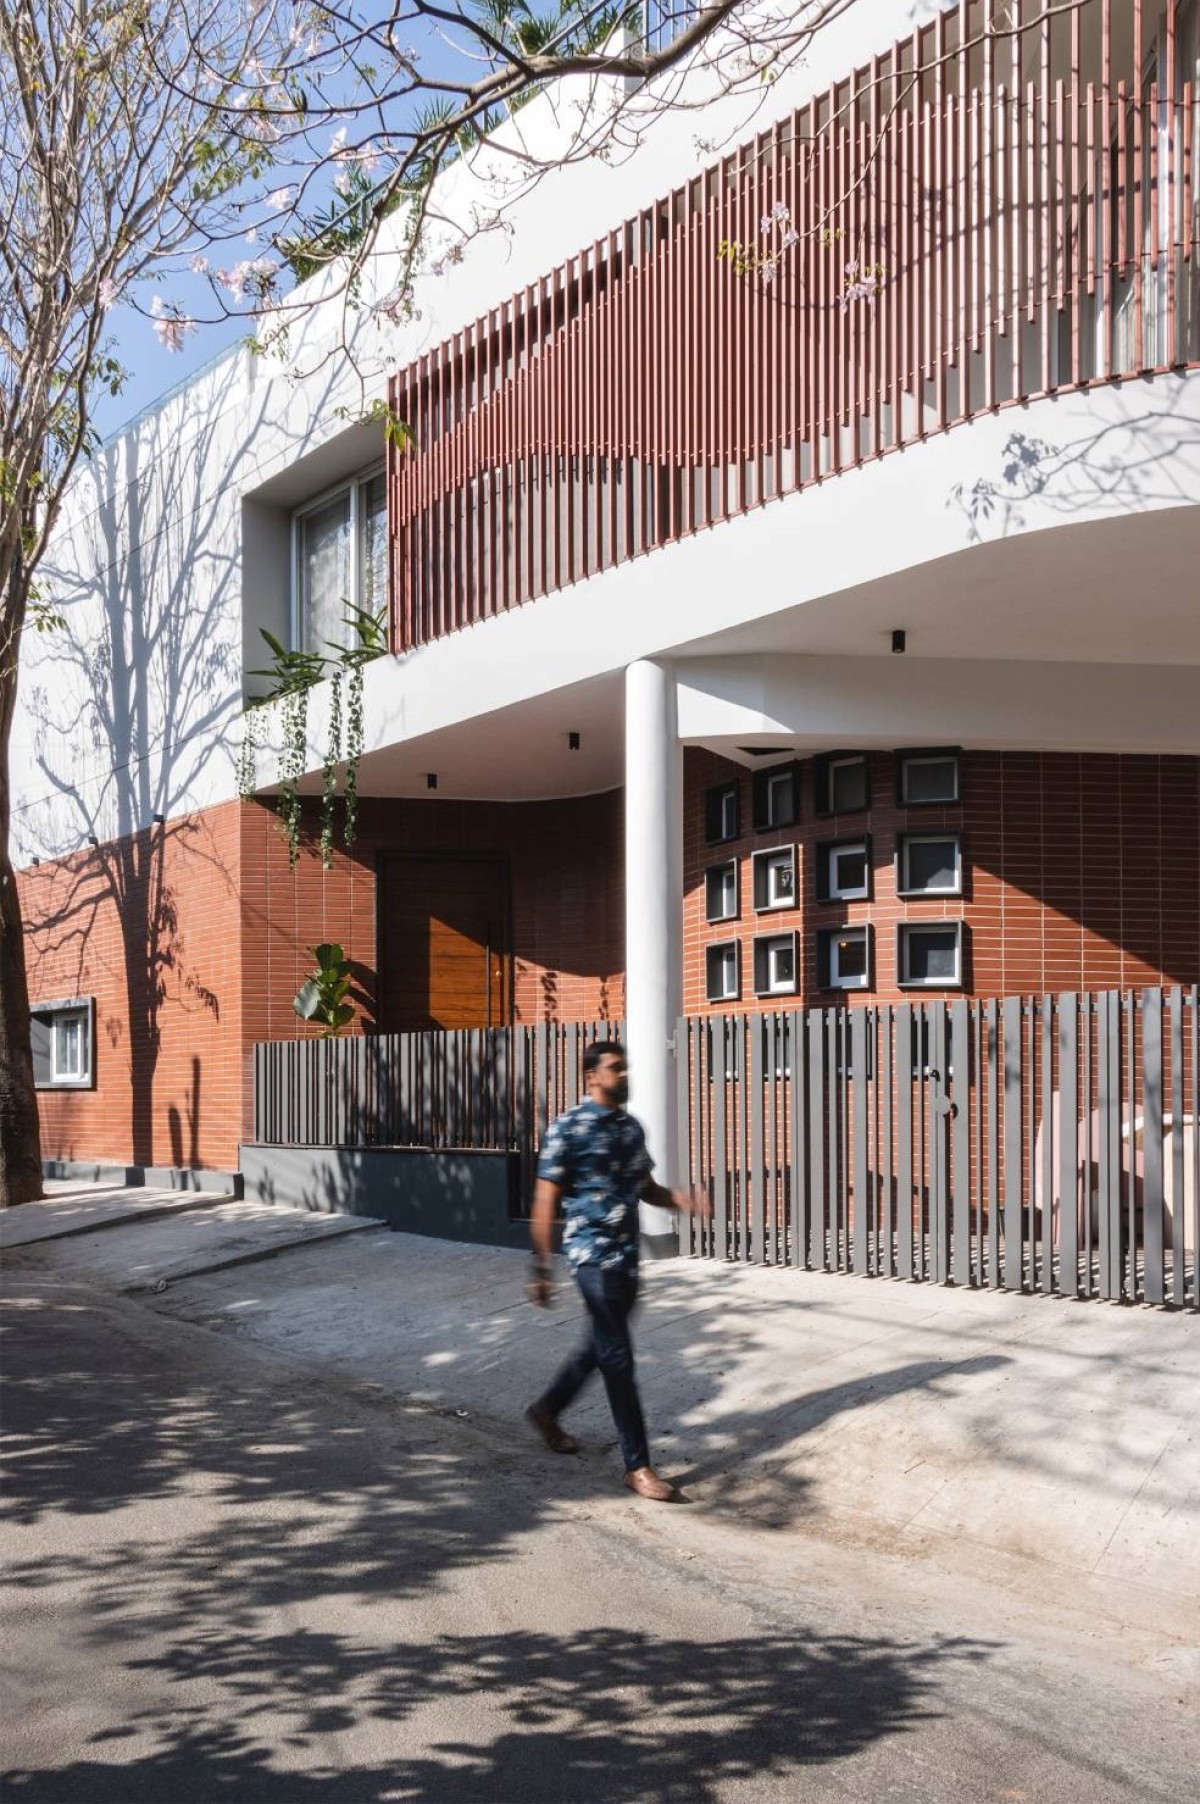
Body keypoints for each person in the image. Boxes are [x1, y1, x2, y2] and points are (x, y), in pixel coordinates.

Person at [525, 1039, 710, 1502]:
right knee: (618, 1358)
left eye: (625, 1068)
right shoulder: (566, 1128)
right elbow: (546, 1198)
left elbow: (645, 1187)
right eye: (614, 1068)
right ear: (592, 1076)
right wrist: (541, 1265)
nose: (623, 1075)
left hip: (627, 1256)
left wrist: (681, 1200)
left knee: (599, 1346)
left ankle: (547, 1410)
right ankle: (638, 1465)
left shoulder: (631, 1129)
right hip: (589, 1257)